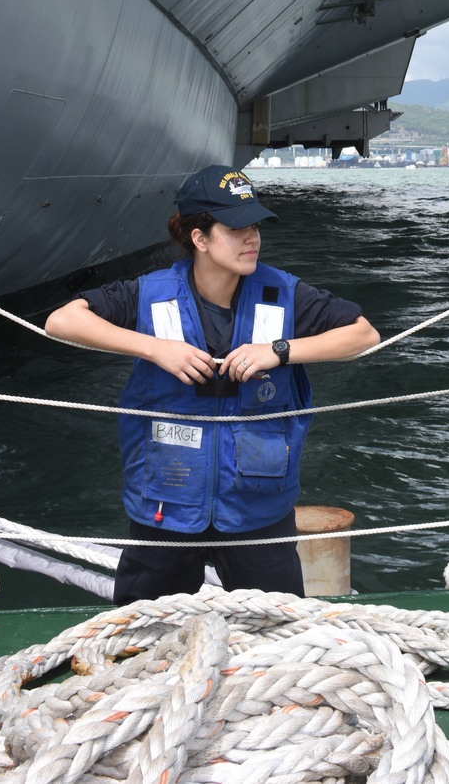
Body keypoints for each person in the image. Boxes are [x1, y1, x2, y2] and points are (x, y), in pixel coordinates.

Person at [45, 166, 379, 601]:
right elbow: (61, 320)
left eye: (256, 225)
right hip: (165, 501)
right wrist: (155, 348)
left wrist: (278, 351)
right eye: (238, 227)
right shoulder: (148, 292)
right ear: (199, 238)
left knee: (275, 632)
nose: (253, 238)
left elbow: (363, 334)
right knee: (143, 633)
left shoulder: (283, 292)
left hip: (257, 505)